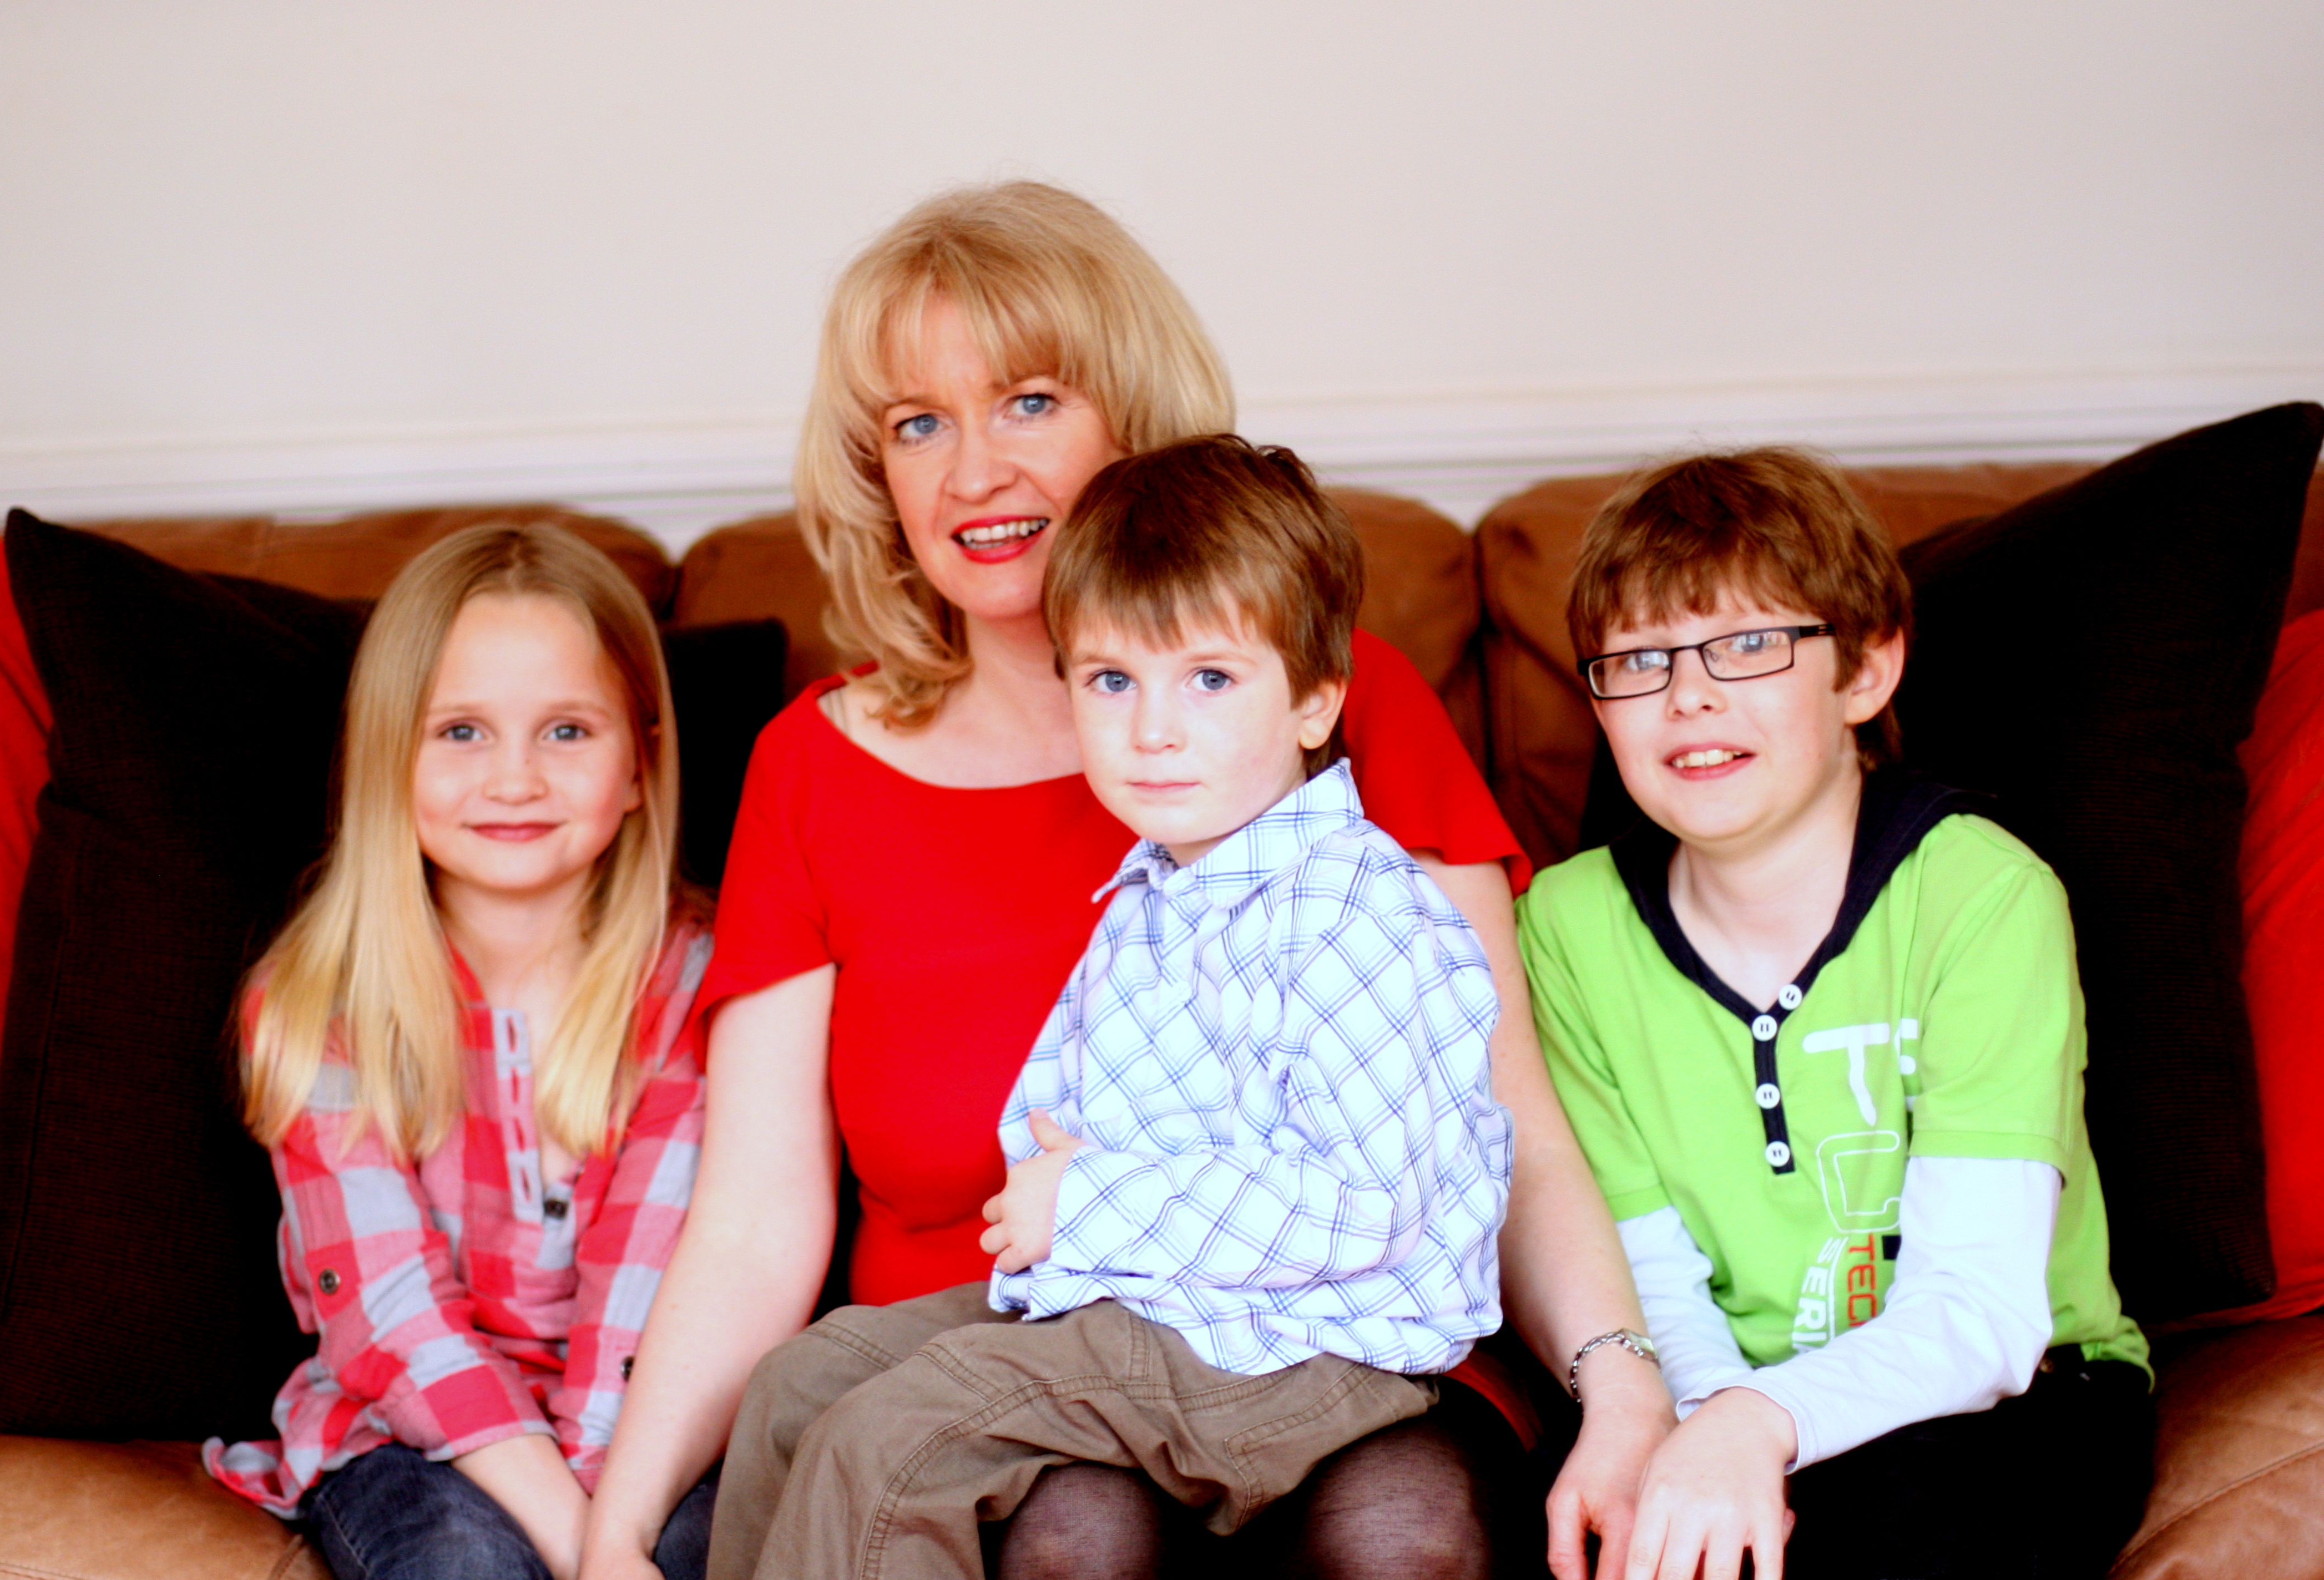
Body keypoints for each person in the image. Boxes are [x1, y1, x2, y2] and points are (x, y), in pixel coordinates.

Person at [581, 181, 1675, 1580]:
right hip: (999, 1343)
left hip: (1318, 1332)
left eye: (1028, 401)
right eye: (920, 422)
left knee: (1402, 1519)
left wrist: (1623, 1378)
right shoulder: (811, 767)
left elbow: (1498, 1108)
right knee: (1058, 1520)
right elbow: (750, 1220)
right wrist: (618, 1527)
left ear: (1132, 422)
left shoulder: (1328, 707)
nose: (973, 469)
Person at [714, 435, 1517, 1580]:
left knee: (894, 1441)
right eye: (1110, 680)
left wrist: (1088, 1197)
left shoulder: (1353, 910)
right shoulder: (1162, 884)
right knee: (806, 1380)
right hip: (1161, 1303)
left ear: (1313, 700)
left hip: (1309, 1346)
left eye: (1209, 678)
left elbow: (1365, 1207)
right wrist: (1067, 1190)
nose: (1153, 728)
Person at [1518, 449, 2154, 1580]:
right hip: (1711, 1393)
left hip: (2011, 1393)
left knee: (1878, 1536)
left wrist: (1755, 1425)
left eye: (1750, 645)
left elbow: (1980, 1313)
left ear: (1865, 670)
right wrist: (1709, 1431)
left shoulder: (1983, 894)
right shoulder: (1566, 926)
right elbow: (1645, 1272)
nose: (1689, 695)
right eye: (1639, 658)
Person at [205, 524, 719, 1580]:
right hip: (403, 1431)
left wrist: (619, 1527)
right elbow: (393, 1318)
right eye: (462, 733)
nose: (516, 778)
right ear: (386, 755)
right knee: (461, 1560)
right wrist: (589, 1551)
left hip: (650, 1426)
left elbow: (654, 1297)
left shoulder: (703, 986)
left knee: (705, 1541)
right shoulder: (318, 1005)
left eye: (568, 731)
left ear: (640, 765)